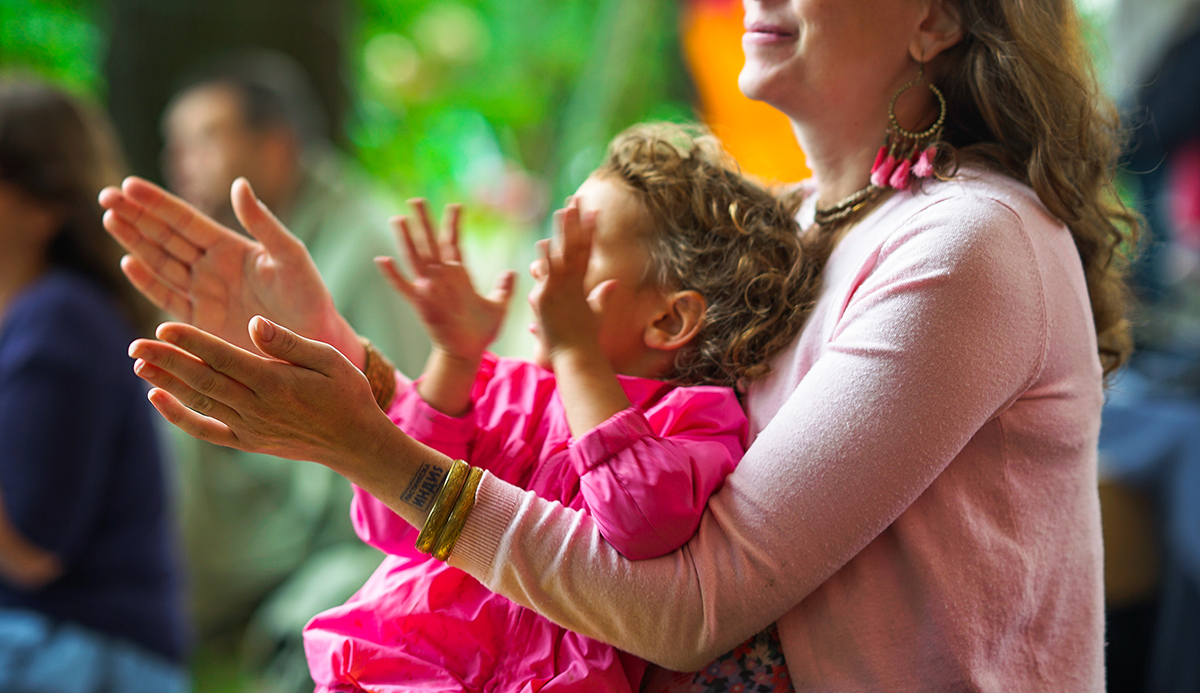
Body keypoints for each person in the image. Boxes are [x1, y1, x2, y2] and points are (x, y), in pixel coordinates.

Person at [102, 0, 1137, 687]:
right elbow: (541, 451)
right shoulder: (792, 232)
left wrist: (369, 447)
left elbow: (687, 606)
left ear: (937, 18)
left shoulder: (966, 242)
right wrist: (324, 346)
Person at [302, 123, 817, 692]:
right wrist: (454, 357)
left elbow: (639, 523)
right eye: (553, 241)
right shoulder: (508, 389)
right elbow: (389, 521)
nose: (545, 265)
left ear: (669, 319)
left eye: (578, 256)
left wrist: (576, 351)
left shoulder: (696, 419)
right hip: (398, 669)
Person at [158, 50, 430, 685]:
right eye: (175, 146)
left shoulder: (359, 244)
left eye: (203, 141)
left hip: (345, 528)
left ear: (276, 146)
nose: (181, 165)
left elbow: (406, 434)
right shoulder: (248, 249)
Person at [0, 79, 188, 691]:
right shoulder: (40, 315)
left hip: (88, 651)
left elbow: (31, 552)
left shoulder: (59, 319)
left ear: (43, 205)